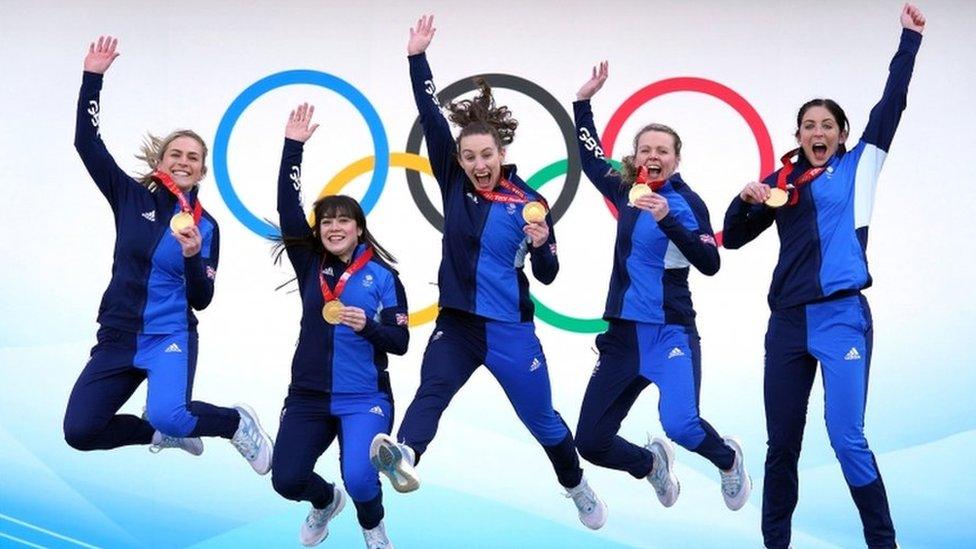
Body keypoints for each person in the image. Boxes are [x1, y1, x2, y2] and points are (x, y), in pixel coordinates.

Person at [369, 15, 607, 529]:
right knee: (431, 390)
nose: (478, 163)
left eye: (486, 155)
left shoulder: (530, 203)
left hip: (509, 330)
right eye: (469, 156)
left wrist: (543, 246)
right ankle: (405, 455)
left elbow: (547, 275)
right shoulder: (453, 180)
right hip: (457, 325)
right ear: (458, 159)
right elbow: (431, 115)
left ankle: (576, 484)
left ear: (502, 155)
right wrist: (417, 58)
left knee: (542, 421)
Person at [722, 5, 926, 547]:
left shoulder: (862, 164)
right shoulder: (782, 180)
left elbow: (893, 103)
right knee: (782, 443)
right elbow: (734, 237)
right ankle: (776, 542)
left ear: (841, 135)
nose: (818, 132)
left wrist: (909, 42)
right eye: (808, 125)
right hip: (787, 322)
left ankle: (883, 541)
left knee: (846, 438)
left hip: (841, 317)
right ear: (798, 134)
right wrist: (744, 201)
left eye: (827, 125)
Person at [63, 36, 272, 475]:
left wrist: (195, 255)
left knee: (170, 412)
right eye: (175, 153)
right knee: (80, 431)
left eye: (192, 157)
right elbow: (87, 142)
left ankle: (235, 423)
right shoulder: (129, 195)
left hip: (169, 337)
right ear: (162, 160)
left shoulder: (207, 225)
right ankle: (161, 436)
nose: (183, 161)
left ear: (201, 169)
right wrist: (92, 79)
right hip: (118, 335)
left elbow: (202, 299)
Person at [571, 62, 751, 511]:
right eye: (645, 149)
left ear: (676, 159)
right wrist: (582, 103)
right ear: (634, 158)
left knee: (683, 426)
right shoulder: (625, 189)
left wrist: (666, 219)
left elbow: (710, 262)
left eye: (662, 150)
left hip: (670, 331)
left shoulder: (685, 203)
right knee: (590, 441)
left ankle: (728, 461)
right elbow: (590, 156)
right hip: (623, 337)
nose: (653, 155)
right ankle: (650, 466)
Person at [269, 103, 409, 549]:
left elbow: (401, 341)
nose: (333, 227)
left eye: (342, 220)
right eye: (326, 221)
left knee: (362, 480)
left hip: (364, 396)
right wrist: (293, 148)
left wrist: (368, 325)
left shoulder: (384, 277)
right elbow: (288, 208)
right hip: (308, 395)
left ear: (358, 228)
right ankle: (325, 500)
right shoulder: (309, 263)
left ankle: (373, 527)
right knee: (286, 479)